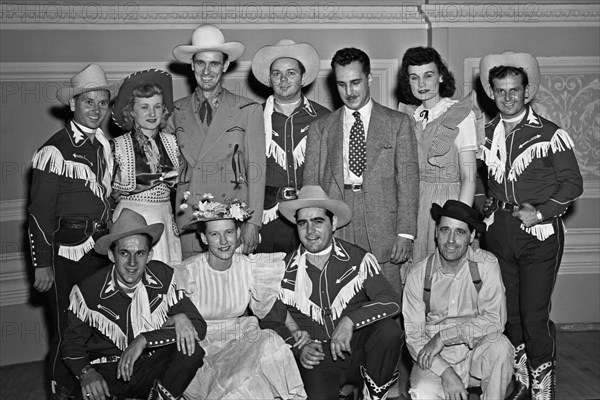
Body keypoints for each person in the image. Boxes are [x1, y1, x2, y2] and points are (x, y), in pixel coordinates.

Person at [478, 52, 583, 399]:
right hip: (499, 233)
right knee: (510, 315)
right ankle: (521, 376)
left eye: (514, 90)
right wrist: (485, 209)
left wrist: (539, 213)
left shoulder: (550, 133)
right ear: (491, 93)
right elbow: (483, 182)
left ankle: (543, 385)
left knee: (534, 314)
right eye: (500, 90)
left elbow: (572, 185)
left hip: (539, 234)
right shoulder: (485, 133)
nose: (507, 97)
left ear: (527, 92)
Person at [261, 185, 403, 400]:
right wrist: (297, 348)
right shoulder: (280, 268)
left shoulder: (357, 259)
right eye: (303, 223)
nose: (310, 231)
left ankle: (375, 393)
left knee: (388, 331)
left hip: (357, 349)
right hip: (316, 357)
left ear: (333, 223)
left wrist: (350, 321)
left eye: (318, 222)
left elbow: (391, 301)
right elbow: (270, 322)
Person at [28, 64, 116, 399]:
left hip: (100, 250)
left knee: (94, 324)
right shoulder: (54, 150)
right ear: (73, 104)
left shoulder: (104, 145)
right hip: (67, 255)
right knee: (66, 331)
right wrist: (42, 263)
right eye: (88, 102)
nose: (96, 109)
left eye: (102, 103)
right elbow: (38, 214)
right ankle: (60, 390)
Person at [303, 47, 419, 294]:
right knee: (341, 298)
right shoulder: (320, 128)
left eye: (355, 82)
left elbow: (408, 182)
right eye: (342, 84)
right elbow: (311, 184)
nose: (349, 92)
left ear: (369, 78)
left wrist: (406, 233)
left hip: (383, 223)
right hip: (336, 218)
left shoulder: (398, 123)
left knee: (387, 301)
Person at [61, 208, 206, 400]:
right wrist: (87, 373)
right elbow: (71, 344)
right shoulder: (88, 291)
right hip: (109, 371)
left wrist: (144, 339)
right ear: (112, 256)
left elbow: (199, 327)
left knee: (191, 350)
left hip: (150, 367)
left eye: (139, 253)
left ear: (150, 255)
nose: (132, 262)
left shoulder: (163, 277)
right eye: (124, 253)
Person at [172, 194, 306, 399]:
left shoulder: (248, 267)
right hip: (204, 351)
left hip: (240, 338)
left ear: (238, 233)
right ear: (203, 238)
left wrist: (295, 330)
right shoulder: (188, 272)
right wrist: (178, 318)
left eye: (228, 232)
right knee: (242, 385)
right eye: (215, 235)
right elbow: (159, 313)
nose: (224, 241)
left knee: (271, 341)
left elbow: (270, 305)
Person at [169, 23, 265, 258]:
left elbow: (257, 170)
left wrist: (254, 224)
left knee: (233, 290)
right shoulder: (174, 111)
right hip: (190, 218)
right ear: (192, 65)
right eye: (200, 63)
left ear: (226, 65)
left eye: (214, 63)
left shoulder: (247, 109)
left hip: (232, 221)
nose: (206, 71)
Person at [403, 200, 513, 399]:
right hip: (437, 359)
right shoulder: (418, 274)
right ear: (436, 232)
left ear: (471, 236)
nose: (451, 240)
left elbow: (495, 321)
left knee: (501, 346)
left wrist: (444, 337)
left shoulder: (486, 265)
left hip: (476, 356)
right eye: (445, 230)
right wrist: (446, 372)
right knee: (422, 391)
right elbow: (413, 335)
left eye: (460, 232)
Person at [398, 47, 479, 263]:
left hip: (448, 203)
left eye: (428, 76)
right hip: (414, 204)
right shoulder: (408, 117)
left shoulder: (460, 113)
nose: (421, 84)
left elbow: (469, 176)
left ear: (441, 76)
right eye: (414, 78)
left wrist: (459, 221)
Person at [251, 39, 330, 254]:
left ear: (303, 78)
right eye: (277, 74)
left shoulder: (324, 118)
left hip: (310, 216)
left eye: (291, 73)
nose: (283, 80)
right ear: (269, 79)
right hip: (268, 217)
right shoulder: (253, 118)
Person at [111, 69, 182, 263]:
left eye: (157, 106)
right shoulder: (116, 147)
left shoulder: (173, 143)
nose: (152, 113)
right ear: (131, 111)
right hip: (131, 222)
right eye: (144, 107)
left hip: (164, 219)